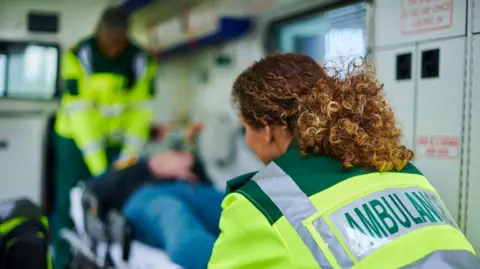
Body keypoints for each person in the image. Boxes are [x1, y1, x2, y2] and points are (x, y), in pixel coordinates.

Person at [208, 54, 480, 269]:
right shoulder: (403, 169)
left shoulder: (261, 202)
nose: (246, 139)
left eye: (245, 128)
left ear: (267, 129)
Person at [52, 6, 157, 269]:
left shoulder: (141, 60)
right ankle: (62, 258)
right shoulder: (77, 56)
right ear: (98, 33)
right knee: (72, 196)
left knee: (116, 198)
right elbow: (80, 114)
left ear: (126, 37)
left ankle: (104, 258)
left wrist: (127, 158)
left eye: (117, 43)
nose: (111, 49)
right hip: (75, 141)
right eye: (107, 42)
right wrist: (101, 168)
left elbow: (141, 112)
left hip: (116, 142)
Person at [84, 123, 224, 269]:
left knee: (242, 208)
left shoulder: (168, 148)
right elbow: (96, 189)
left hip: (193, 188)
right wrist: (149, 166)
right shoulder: (124, 165)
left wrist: (191, 163)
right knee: (183, 231)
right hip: (146, 196)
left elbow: (206, 178)